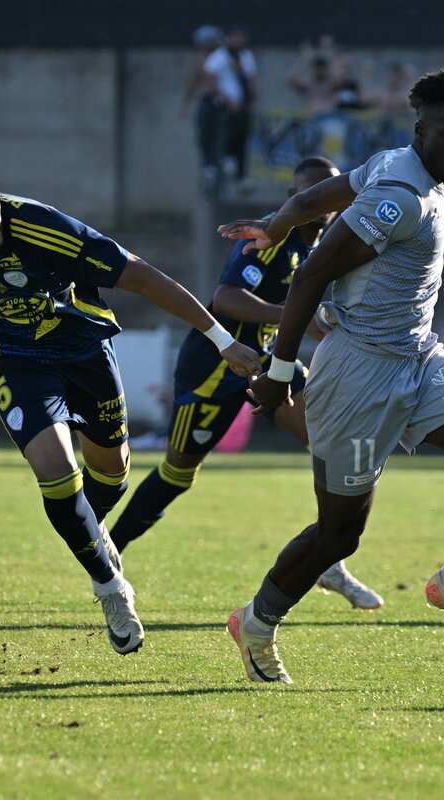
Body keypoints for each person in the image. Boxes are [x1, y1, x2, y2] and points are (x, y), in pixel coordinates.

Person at [217, 66, 444, 684]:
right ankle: (255, 623)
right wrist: (281, 373)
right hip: (357, 377)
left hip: (419, 360)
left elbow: (317, 198)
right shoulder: (400, 198)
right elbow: (311, 276)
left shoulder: (398, 163)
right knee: (338, 536)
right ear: (422, 132)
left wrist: (277, 223)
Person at [0, 147, 262, 654]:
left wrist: (223, 341)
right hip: (12, 360)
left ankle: (92, 535)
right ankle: (111, 588)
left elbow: (142, 275)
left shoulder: (42, 228)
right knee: (56, 472)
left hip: (84, 351)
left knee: (112, 476)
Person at [108, 157, 384, 611]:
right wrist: (295, 317)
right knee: (177, 474)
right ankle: (108, 554)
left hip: (271, 363)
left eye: (328, 192)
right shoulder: (274, 234)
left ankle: (328, 558)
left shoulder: (326, 244)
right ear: (292, 197)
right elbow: (226, 298)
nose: (319, 201)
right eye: (309, 192)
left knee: (333, 444)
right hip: (216, 368)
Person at [205, 26, 258, 189]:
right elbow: (211, 82)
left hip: (241, 105)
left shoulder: (246, 56)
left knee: (243, 135)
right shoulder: (219, 56)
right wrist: (227, 100)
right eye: (234, 37)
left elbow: (249, 80)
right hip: (223, 105)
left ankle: (241, 173)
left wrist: (251, 101)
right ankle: (219, 164)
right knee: (222, 134)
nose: (237, 41)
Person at [180, 25, 224, 191]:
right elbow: (196, 80)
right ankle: (210, 166)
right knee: (205, 135)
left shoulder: (223, 58)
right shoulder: (202, 59)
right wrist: (185, 103)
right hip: (208, 100)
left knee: (219, 137)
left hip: (222, 102)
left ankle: (221, 165)